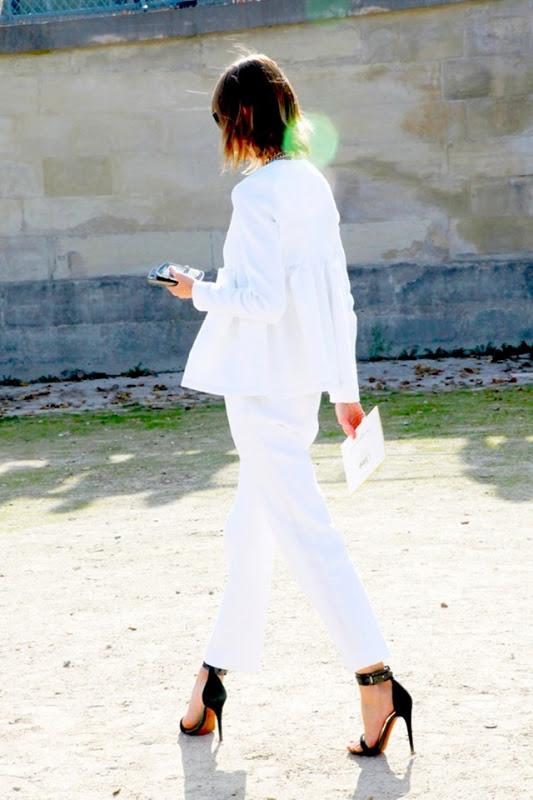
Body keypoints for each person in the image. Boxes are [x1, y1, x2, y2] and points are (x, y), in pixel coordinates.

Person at [165, 52, 414, 757]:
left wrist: (195, 290)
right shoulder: (309, 182)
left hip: (260, 387)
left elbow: (260, 300)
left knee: (303, 533)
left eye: (220, 120)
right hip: (301, 385)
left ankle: (376, 678)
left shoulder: (257, 194)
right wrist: (345, 391)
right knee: (250, 532)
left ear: (239, 120)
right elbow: (333, 293)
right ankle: (209, 683)